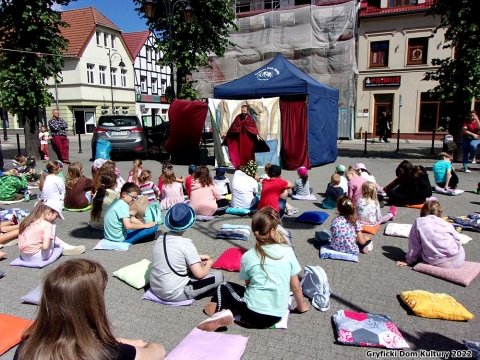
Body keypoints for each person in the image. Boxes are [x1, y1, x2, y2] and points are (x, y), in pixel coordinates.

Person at [13, 259, 166, 360]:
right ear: (91, 305)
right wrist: (143, 345)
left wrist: (117, 341)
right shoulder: (108, 353)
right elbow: (158, 352)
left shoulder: (27, 348)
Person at [199, 207, 309, 332]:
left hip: (251, 314)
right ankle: (228, 310)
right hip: (276, 316)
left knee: (224, 286)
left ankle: (224, 311)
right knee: (237, 294)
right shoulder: (287, 251)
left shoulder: (248, 256)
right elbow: (296, 287)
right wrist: (301, 306)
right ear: (273, 230)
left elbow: (248, 285)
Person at [150, 203, 224, 302]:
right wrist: (209, 264)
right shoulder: (186, 243)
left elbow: (174, 255)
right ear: (189, 223)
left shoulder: (161, 237)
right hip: (174, 293)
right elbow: (199, 274)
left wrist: (197, 257)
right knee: (218, 276)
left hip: (155, 287)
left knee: (192, 269)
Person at [396, 201, 465, 269]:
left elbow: (414, 246)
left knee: (422, 249)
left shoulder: (418, 222)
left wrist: (409, 261)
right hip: (459, 259)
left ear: (422, 211)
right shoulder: (446, 223)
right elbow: (457, 240)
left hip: (438, 263)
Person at [18, 199, 84, 261]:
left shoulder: (27, 220)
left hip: (23, 256)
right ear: (49, 212)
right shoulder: (47, 225)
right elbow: (45, 247)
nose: (55, 219)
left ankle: (63, 246)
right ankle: (63, 246)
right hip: (37, 257)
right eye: (56, 216)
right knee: (53, 224)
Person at [222, 105, 262, 169]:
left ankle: (249, 167)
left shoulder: (250, 118)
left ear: (248, 111)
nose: (243, 112)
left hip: (248, 138)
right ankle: (241, 167)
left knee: (248, 153)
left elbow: (253, 127)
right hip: (240, 138)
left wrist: (256, 134)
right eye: (242, 110)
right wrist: (229, 135)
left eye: (244, 111)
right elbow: (233, 127)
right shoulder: (238, 117)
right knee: (240, 152)